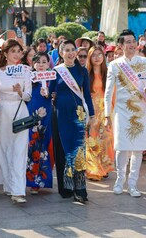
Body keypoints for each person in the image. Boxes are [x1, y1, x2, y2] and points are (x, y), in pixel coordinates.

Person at [104, 29, 146, 197]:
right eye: (127, 42)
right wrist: (107, 115)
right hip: (121, 111)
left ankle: (133, 183)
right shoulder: (115, 64)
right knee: (121, 147)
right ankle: (120, 180)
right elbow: (108, 91)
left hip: (140, 110)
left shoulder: (145, 61)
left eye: (133, 41)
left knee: (138, 148)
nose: (132, 44)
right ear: (121, 45)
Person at [49, 40, 95, 203]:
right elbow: (50, 92)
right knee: (63, 149)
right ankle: (66, 187)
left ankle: (80, 188)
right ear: (60, 53)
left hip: (78, 115)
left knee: (78, 150)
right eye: (66, 50)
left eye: (72, 50)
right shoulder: (56, 71)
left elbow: (87, 95)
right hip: (61, 114)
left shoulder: (82, 71)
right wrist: (48, 93)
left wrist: (92, 114)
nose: (70, 53)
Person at [0, 39, 31, 203]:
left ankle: (18, 190)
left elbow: (28, 96)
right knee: (4, 148)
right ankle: (10, 185)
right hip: (3, 112)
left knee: (19, 149)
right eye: (13, 51)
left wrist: (20, 92)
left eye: (19, 51)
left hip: (20, 110)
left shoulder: (26, 70)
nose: (16, 54)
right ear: (5, 54)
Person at [26, 52, 54, 194]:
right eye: (38, 62)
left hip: (47, 114)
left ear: (49, 64)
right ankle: (31, 181)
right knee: (32, 144)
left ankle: (43, 179)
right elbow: (26, 96)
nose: (41, 64)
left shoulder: (52, 78)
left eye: (44, 62)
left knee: (44, 144)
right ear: (33, 64)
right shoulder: (29, 78)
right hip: (32, 114)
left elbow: (55, 95)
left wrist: (49, 93)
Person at [85, 46, 114, 180]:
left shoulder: (108, 73)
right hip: (91, 110)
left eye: (99, 54)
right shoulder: (86, 74)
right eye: (94, 55)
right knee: (92, 139)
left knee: (106, 138)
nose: (97, 57)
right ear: (89, 58)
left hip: (105, 110)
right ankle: (93, 169)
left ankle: (105, 166)